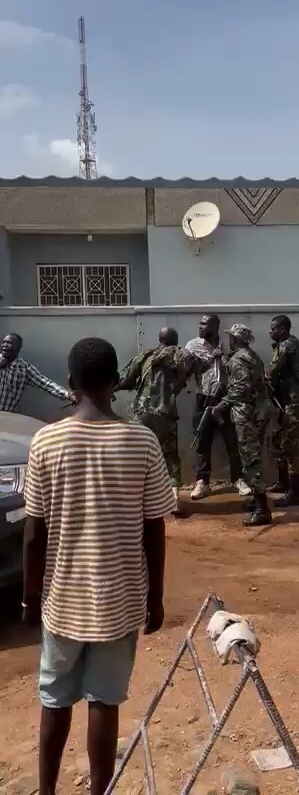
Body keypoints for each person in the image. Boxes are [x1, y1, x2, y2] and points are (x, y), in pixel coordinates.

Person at [22, 337, 175, 795]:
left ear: (70, 382)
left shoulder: (46, 440)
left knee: (54, 701)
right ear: (116, 382)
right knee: (104, 703)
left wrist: (30, 597)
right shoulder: (141, 441)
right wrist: (155, 597)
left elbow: (34, 534)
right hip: (119, 602)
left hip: (62, 602)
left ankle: (47, 791)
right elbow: (154, 528)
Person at [117, 327, 191, 506]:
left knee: (137, 456)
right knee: (170, 457)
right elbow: (183, 380)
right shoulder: (181, 358)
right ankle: (174, 500)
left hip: (142, 415)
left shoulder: (146, 356)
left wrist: (112, 388)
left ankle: (136, 499)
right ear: (175, 340)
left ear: (160, 339)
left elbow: (128, 381)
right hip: (166, 415)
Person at [185, 314, 250, 500]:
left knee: (232, 440)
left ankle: (238, 479)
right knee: (203, 441)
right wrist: (207, 360)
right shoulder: (192, 346)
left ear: (215, 327)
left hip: (225, 400)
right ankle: (202, 482)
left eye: (205, 324)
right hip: (204, 398)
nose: (200, 327)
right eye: (200, 323)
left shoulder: (228, 345)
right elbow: (186, 370)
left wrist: (224, 362)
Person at [212, 324, 271, 527]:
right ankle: (256, 500)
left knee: (250, 459)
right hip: (257, 412)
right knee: (252, 456)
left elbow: (239, 390)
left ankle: (262, 510)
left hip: (245, 414)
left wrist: (221, 405)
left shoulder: (238, 359)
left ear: (235, 339)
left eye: (231, 337)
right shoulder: (253, 356)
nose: (229, 340)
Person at [267, 315, 299, 508]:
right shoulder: (287, 343)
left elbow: (272, 371)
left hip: (294, 400)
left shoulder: (287, 345)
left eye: (273, 328)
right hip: (288, 398)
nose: (270, 332)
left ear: (283, 329)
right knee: (280, 438)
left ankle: (296, 492)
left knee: (289, 443)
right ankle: (283, 482)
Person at [0, 333, 73, 412]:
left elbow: (46, 383)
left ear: (18, 348)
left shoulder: (24, 369)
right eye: (3, 342)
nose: (4, 345)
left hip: (7, 416)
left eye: (9, 343)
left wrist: (67, 395)